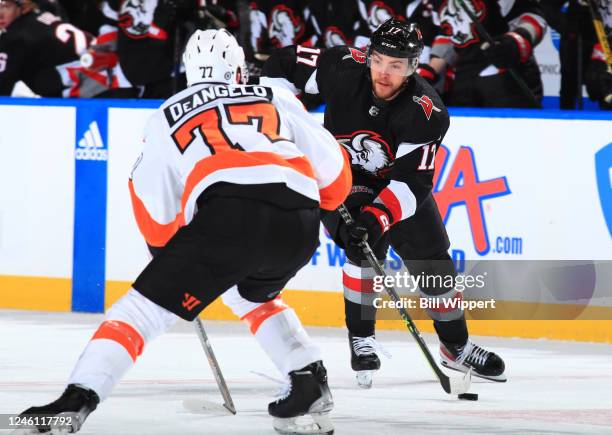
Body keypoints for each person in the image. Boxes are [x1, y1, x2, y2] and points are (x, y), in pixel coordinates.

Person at [17, 28, 351, 435]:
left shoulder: (167, 112)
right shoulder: (274, 95)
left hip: (231, 216)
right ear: (238, 68)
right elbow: (334, 171)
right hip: (298, 222)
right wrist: (323, 206)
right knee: (248, 292)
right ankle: (307, 379)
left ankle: (75, 401)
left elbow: (149, 193)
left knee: (140, 310)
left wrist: (166, 251)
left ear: (189, 70)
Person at [262, 18, 506, 388]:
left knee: (433, 257)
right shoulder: (342, 66)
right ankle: (362, 338)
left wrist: (377, 216)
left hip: (395, 182)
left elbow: (412, 182)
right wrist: (279, 119)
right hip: (342, 177)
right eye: (378, 61)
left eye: (395, 65)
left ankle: (455, 346)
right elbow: (281, 64)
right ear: (368, 57)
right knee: (364, 247)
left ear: (412, 68)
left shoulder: (427, 111)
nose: (383, 72)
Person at [427, 0, 547, 108]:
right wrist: (430, 70)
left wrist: (517, 41)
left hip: (507, 77)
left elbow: (533, 15)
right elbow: (448, 34)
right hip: (464, 80)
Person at [0, 0, 121, 96]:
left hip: (98, 85)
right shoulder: (39, 16)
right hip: (114, 76)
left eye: (4, 6)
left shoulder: (14, 37)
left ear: (23, 6)